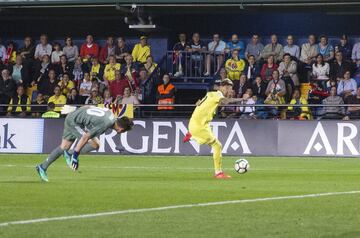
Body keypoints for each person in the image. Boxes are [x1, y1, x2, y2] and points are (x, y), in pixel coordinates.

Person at [36, 106, 134, 182]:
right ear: (121, 129)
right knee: (93, 144)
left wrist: (76, 110)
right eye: (123, 131)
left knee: (64, 147)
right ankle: (70, 154)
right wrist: (75, 156)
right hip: (74, 122)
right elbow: (85, 137)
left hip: (76, 119)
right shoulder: (105, 124)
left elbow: (90, 107)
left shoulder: (111, 115)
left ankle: (42, 167)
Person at [183, 78, 244, 179]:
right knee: (217, 145)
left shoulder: (210, 94)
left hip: (195, 123)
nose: (229, 91)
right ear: (223, 87)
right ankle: (218, 173)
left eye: (230, 88)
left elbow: (199, 104)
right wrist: (241, 99)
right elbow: (225, 102)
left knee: (214, 142)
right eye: (228, 88)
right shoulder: (218, 95)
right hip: (199, 126)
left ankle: (191, 134)